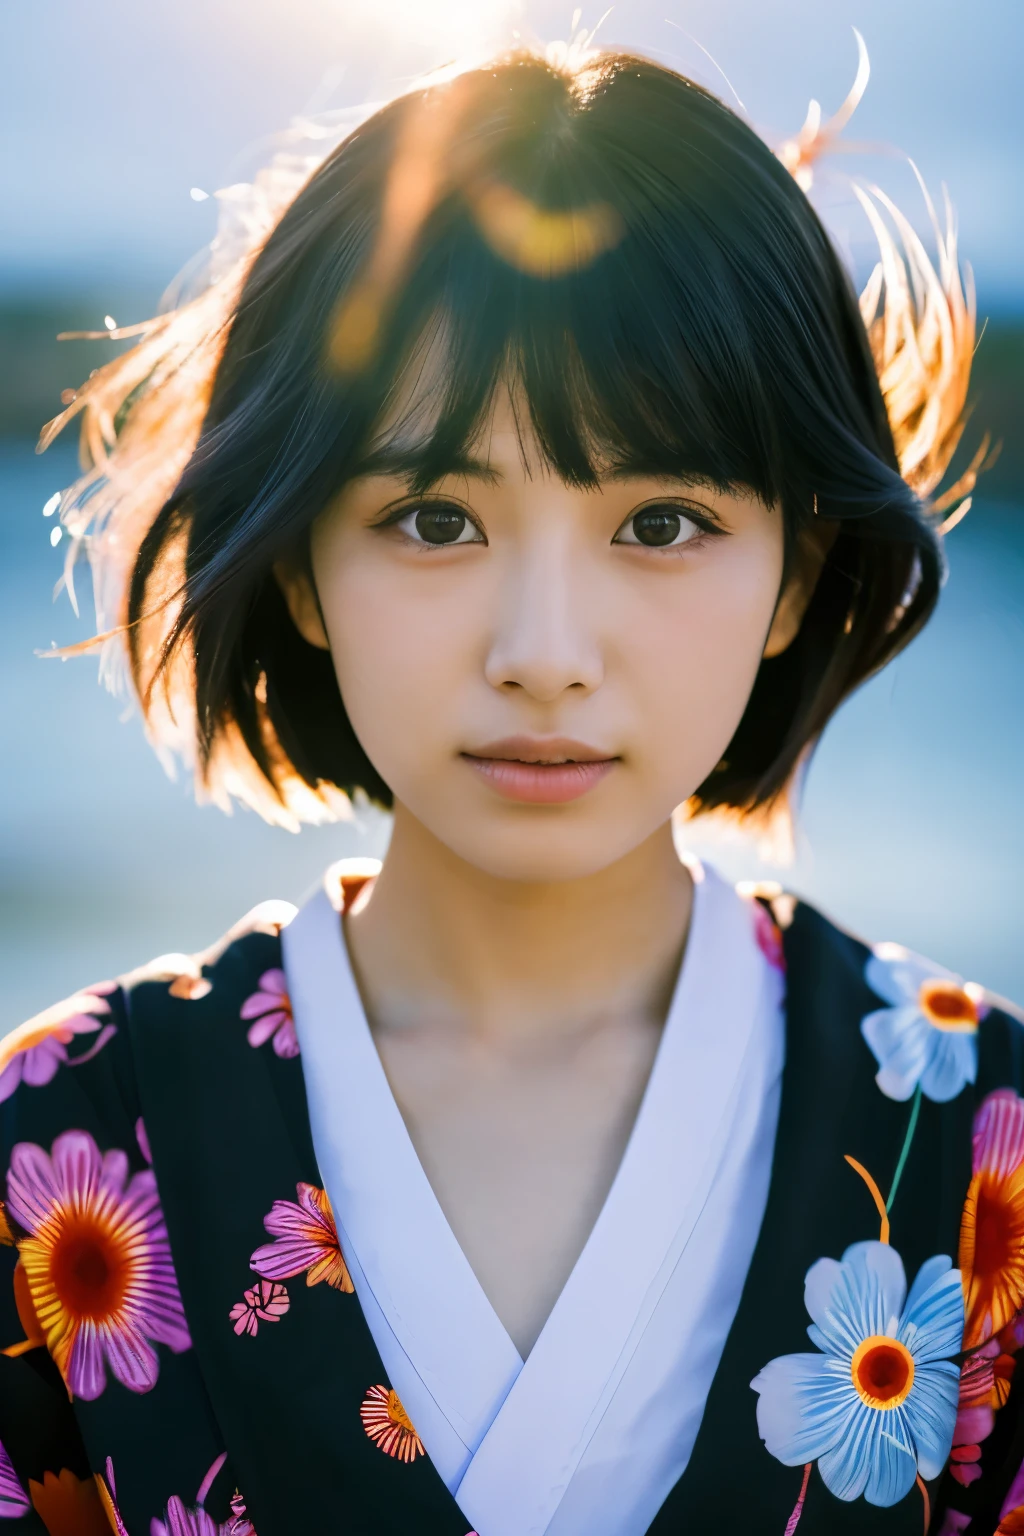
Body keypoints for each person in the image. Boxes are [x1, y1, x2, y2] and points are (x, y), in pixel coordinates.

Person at [0, 39, 1018, 1536]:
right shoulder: (68, 1144)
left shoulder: (980, 1147)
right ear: (297, 562)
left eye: (662, 520)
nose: (546, 655)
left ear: (797, 571)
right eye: (433, 517)